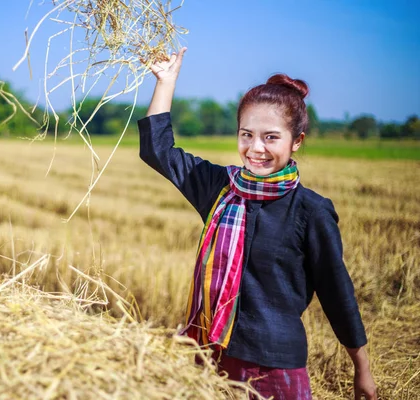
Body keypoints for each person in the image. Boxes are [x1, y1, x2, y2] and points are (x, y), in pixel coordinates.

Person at [137, 48, 377, 399]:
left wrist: (362, 369)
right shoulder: (220, 189)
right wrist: (166, 81)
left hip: (275, 367)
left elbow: (336, 292)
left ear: (297, 142)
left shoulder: (310, 210)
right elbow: (157, 150)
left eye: (271, 137)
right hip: (213, 355)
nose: (255, 148)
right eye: (246, 134)